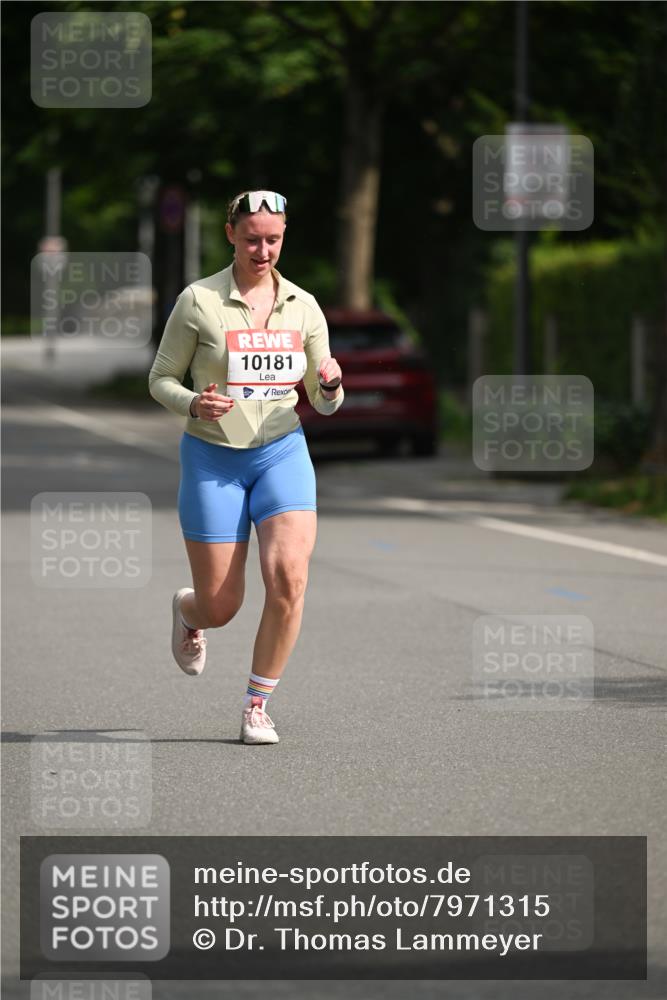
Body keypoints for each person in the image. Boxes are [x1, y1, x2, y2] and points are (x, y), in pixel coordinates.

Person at [148, 189, 344, 744]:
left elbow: (324, 398)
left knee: (289, 577)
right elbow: (159, 379)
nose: (264, 250)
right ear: (230, 234)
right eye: (253, 238)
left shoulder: (304, 306)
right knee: (222, 605)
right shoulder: (198, 300)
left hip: (281, 450)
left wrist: (329, 385)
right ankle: (189, 612)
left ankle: (257, 703)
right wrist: (192, 402)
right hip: (214, 455)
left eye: (274, 240)